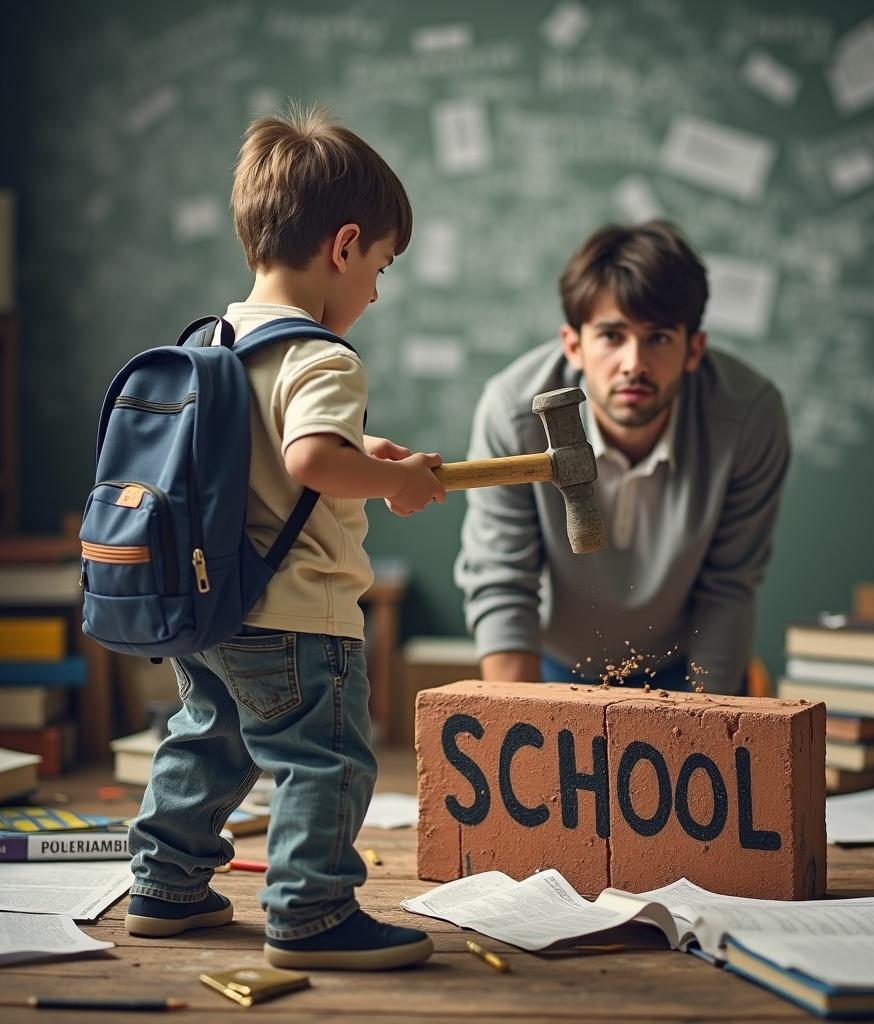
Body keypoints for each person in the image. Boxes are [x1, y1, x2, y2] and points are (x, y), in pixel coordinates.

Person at [125, 106, 446, 970]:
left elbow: (262, 452)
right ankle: (311, 917)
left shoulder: (217, 343)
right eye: (379, 266)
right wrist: (400, 481)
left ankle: (164, 887)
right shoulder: (326, 359)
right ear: (343, 247)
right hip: (302, 619)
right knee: (324, 760)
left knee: (208, 739)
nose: (375, 290)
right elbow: (308, 458)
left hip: (214, 610)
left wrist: (362, 453)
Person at [455, 220, 789, 695]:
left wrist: (704, 729)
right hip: (551, 671)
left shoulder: (750, 417)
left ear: (694, 349)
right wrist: (521, 720)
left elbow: (728, 589)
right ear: (574, 345)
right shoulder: (512, 414)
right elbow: (502, 581)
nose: (633, 363)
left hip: (685, 671)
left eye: (657, 338)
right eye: (612, 336)